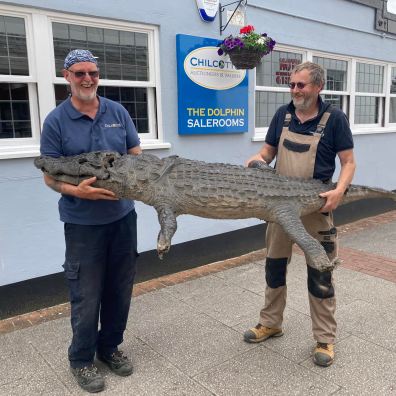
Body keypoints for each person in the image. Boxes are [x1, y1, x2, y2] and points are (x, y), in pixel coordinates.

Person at [40, 49, 142, 393]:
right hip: (82, 223)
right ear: (66, 76)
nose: (87, 79)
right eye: (80, 73)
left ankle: (109, 347)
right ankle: (81, 360)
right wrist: (77, 191)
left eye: (93, 73)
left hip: (123, 217)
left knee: (120, 289)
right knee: (86, 293)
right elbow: (49, 176)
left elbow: (135, 157)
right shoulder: (56, 121)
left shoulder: (118, 112)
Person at [244, 61, 356, 367]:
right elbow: (268, 152)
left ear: (318, 87)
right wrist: (258, 159)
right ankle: (271, 322)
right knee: (274, 268)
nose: (294, 90)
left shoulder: (334, 119)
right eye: (292, 85)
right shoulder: (284, 115)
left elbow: (348, 162)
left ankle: (325, 338)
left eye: (301, 85)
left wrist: (339, 191)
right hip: (279, 208)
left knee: (321, 275)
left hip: (316, 207)